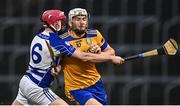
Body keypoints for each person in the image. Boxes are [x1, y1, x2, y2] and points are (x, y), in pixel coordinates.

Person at [12, 9, 124, 105]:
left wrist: (58, 67)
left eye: (83, 19)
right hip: (38, 86)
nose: (62, 24)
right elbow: (83, 56)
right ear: (55, 24)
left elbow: (54, 59)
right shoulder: (57, 41)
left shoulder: (38, 36)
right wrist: (111, 58)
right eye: (60, 21)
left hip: (26, 81)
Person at [59, 8, 124, 105]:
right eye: (78, 19)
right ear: (70, 22)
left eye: (84, 19)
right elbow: (57, 63)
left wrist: (99, 54)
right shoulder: (62, 40)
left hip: (96, 84)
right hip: (76, 88)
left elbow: (111, 52)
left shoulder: (94, 34)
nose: (82, 22)